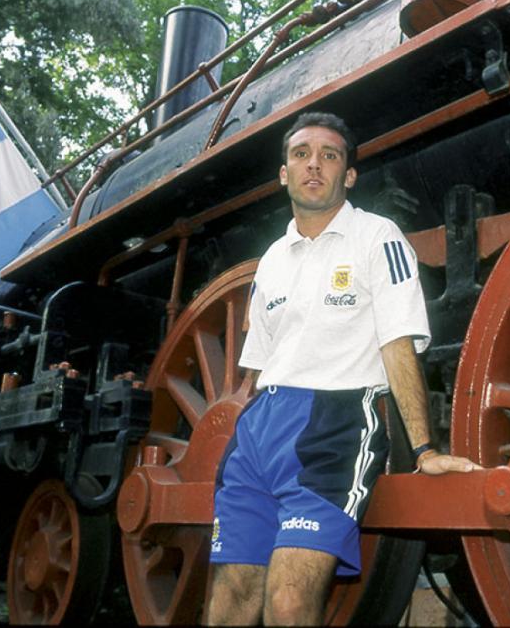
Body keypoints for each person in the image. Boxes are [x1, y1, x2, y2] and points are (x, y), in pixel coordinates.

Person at [205, 112, 480, 625]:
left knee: (289, 601)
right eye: (301, 154)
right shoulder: (271, 260)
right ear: (283, 174)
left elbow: (399, 343)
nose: (315, 165)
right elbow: (259, 367)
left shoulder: (378, 237)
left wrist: (424, 449)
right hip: (260, 426)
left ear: (348, 176)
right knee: (229, 601)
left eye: (330, 156)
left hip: (335, 422)